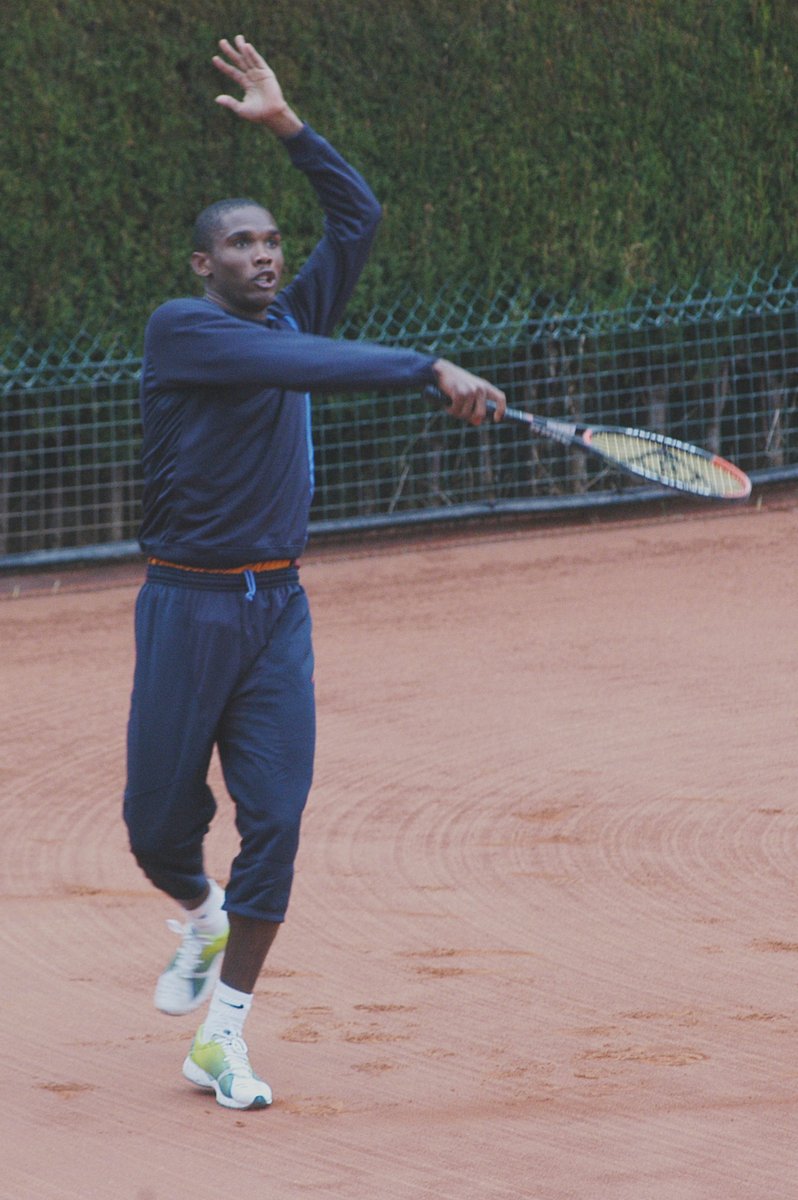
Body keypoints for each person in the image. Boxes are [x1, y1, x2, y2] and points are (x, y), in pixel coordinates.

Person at [123, 34, 506, 1112]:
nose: (263, 253)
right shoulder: (183, 333)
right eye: (240, 243)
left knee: (279, 817)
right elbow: (305, 368)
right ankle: (196, 916)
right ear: (203, 265)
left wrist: (289, 126)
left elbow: (361, 218)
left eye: (270, 239)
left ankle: (225, 1034)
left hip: (276, 606)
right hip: (186, 605)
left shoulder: (295, 310)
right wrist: (425, 367)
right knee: (156, 827)